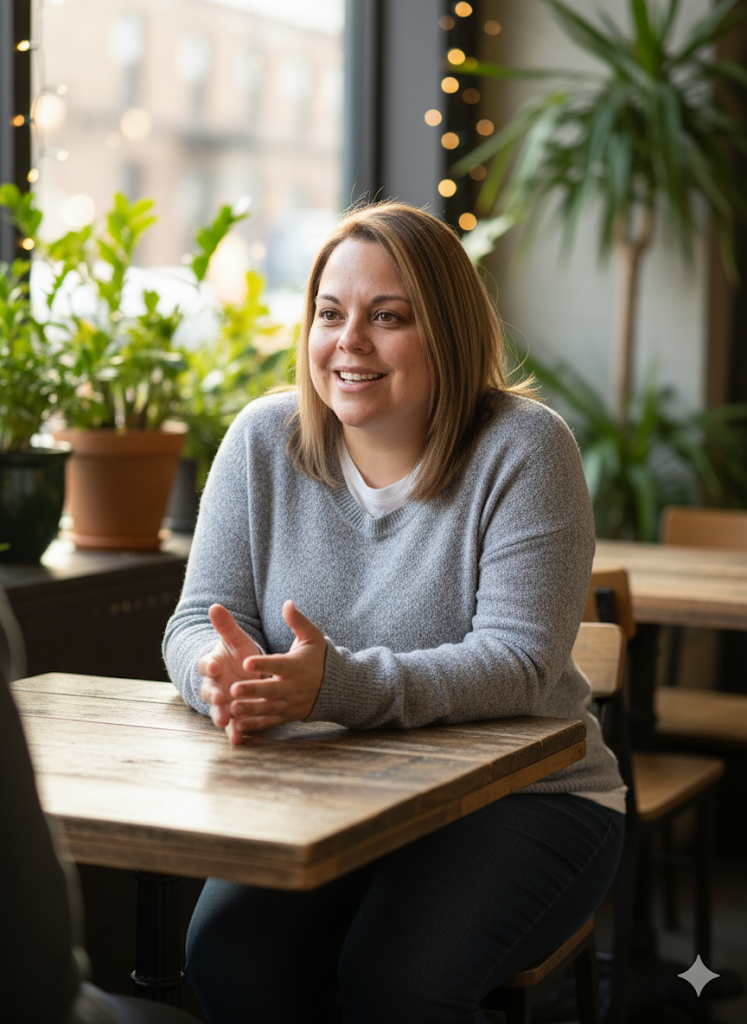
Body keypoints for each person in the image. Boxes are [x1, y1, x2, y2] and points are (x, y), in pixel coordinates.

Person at [163, 201, 626, 1024]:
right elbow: (197, 618)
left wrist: (330, 687)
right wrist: (220, 676)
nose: (350, 342)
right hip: (327, 789)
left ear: (444, 330)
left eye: (389, 317)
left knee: (396, 988)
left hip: (524, 797)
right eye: (330, 314)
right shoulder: (261, 440)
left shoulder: (524, 447)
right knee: (227, 958)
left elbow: (518, 662)